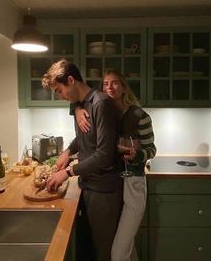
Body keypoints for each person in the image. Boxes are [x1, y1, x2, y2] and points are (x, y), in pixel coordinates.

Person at [42, 60, 123, 261]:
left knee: (103, 249)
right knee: (88, 247)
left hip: (103, 188)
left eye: (59, 90)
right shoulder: (81, 104)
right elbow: (84, 137)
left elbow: (104, 155)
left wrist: (68, 171)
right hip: (88, 184)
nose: (60, 96)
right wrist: (68, 151)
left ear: (71, 80)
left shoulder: (100, 103)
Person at [75, 70, 157, 261]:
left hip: (133, 185)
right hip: (115, 186)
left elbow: (152, 150)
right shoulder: (105, 111)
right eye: (105, 84)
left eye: (114, 83)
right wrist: (77, 109)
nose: (109, 88)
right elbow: (79, 99)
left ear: (123, 87)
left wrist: (137, 155)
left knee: (119, 253)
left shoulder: (139, 116)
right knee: (127, 247)